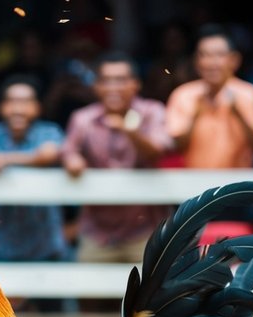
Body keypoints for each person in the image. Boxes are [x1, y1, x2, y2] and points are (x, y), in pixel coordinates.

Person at [61, 51, 172, 265]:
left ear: (135, 84)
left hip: (145, 230)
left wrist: (129, 130)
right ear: (96, 86)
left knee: (147, 296)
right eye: (106, 81)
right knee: (89, 294)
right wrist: (72, 160)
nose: (113, 88)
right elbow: (67, 150)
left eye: (120, 80)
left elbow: (157, 150)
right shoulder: (83, 118)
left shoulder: (152, 111)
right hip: (97, 229)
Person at [0, 77, 67, 263]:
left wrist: (4, 159)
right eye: (12, 101)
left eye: (26, 102)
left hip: (45, 243)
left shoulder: (50, 132)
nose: (18, 109)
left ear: (37, 107)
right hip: (0, 242)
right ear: (2, 107)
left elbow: (47, 155)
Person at [165, 25, 253, 169]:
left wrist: (238, 114)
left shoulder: (250, 94)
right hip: (194, 183)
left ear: (234, 60)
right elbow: (175, 147)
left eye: (219, 55)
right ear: (196, 62)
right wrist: (195, 116)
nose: (212, 62)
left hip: (238, 185)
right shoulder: (183, 95)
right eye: (205, 55)